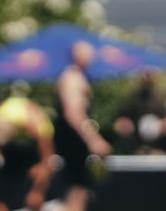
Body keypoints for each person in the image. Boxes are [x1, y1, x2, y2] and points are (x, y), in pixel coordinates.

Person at [52, 42, 108, 211]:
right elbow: (73, 113)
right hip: (73, 142)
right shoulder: (73, 78)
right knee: (77, 191)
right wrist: (93, 140)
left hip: (75, 142)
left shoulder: (77, 77)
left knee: (79, 190)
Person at [0, 83, 53, 211]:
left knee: (34, 198)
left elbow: (47, 160)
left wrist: (38, 191)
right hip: (13, 157)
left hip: (31, 155)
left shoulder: (38, 123)